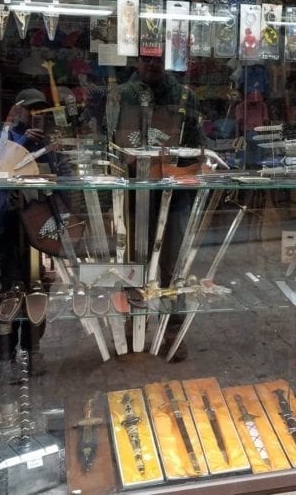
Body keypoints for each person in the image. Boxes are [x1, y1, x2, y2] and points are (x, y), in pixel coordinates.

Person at [114, 55, 206, 362]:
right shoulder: (122, 95)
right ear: (135, 58)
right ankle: (132, 329)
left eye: (157, 58)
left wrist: (178, 170)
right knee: (131, 262)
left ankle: (171, 330)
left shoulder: (184, 97)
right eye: (145, 58)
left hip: (174, 191)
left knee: (173, 262)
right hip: (131, 191)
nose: (151, 64)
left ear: (167, 58)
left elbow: (196, 148)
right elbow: (110, 144)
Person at [0, 88, 51, 384]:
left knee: (38, 286)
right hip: (9, 224)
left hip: (38, 221)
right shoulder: (3, 138)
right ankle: (5, 358)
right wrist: (24, 142)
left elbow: (54, 175)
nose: (34, 115)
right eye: (29, 109)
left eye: (39, 110)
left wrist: (53, 152)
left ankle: (33, 350)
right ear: (17, 109)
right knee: (11, 287)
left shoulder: (45, 138)